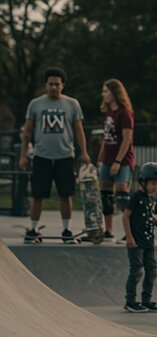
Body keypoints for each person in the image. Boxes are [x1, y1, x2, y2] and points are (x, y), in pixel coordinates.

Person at [19, 67, 90, 244]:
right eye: (50, 84)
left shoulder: (72, 104)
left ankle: (66, 229)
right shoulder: (35, 104)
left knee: (65, 194)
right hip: (41, 156)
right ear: (45, 85)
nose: (53, 88)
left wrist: (84, 153)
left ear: (62, 85)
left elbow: (78, 130)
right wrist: (23, 155)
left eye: (57, 84)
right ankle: (34, 228)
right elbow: (27, 132)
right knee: (38, 194)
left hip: (65, 155)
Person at [122, 162, 157, 313]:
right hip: (136, 243)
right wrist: (129, 237)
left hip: (149, 243)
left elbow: (151, 216)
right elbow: (125, 216)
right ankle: (130, 301)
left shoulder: (152, 198)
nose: (155, 187)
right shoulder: (136, 197)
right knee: (137, 271)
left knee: (152, 271)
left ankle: (146, 300)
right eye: (152, 183)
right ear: (143, 181)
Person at [98, 79, 136, 243]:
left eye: (106, 91)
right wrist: (100, 158)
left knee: (122, 196)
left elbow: (127, 140)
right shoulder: (108, 113)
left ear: (114, 93)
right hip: (107, 160)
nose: (103, 94)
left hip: (123, 161)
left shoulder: (124, 113)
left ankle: (131, 232)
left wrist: (118, 162)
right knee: (105, 195)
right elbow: (106, 139)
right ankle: (108, 230)